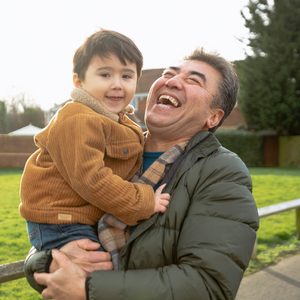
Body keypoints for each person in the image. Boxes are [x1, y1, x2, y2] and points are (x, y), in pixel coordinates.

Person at [25, 47, 259, 300]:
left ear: (213, 117)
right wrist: (48, 260)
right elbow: (52, 225)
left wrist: (88, 288)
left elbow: (208, 285)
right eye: (169, 74)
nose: (172, 81)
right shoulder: (106, 151)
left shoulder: (223, 171)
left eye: (192, 80)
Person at [19, 29, 170, 253]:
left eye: (126, 76)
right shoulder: (78, 119)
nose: (118, 84)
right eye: (105, 75)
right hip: (60, 221)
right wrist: (144, 201)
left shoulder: (116, 120)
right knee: (95, 272)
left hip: (78, 217)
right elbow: (92, 179)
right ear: (78, 81)